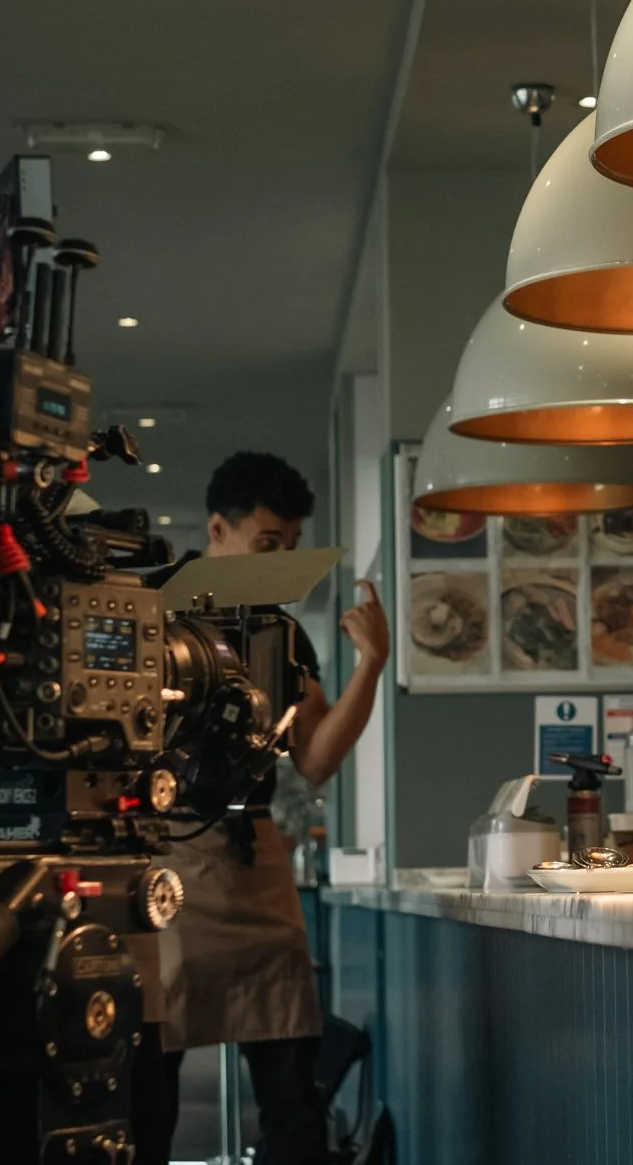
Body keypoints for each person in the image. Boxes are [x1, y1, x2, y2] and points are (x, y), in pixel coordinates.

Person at [134, 452, 389, 1165]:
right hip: (165, 861)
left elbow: (314, 757)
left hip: (256, 855)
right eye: (267, 543)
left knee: (291, 1089)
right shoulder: (151, 609)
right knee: (150, 1087)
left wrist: (370, 665)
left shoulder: (280, 631)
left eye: (290, 544)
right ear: (219, 527)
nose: (280, 560)